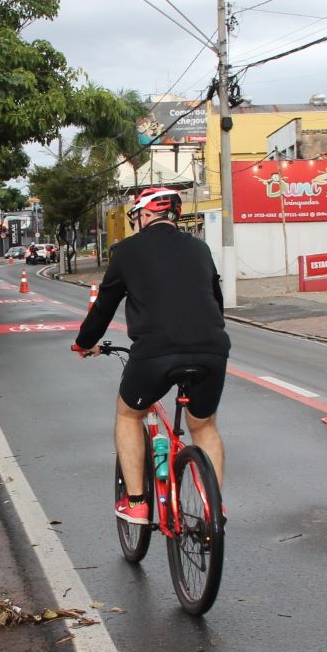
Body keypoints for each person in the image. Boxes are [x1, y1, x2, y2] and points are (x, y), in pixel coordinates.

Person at [71, 187, 230, 524]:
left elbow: (104, 306)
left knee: (129, 415)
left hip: (156, 352)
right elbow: (216, 301)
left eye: (136, 217)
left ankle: (137, 502)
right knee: (203, 425)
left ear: (144, 215)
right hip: (212, 349)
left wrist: (85, 342)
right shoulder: (200, 248)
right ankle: (212, 510)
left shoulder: (126, 251)